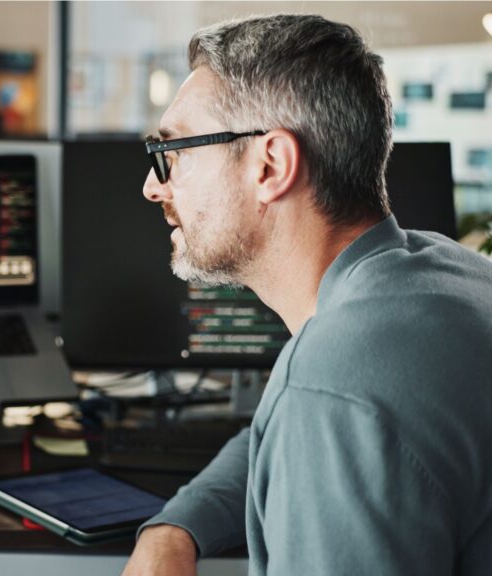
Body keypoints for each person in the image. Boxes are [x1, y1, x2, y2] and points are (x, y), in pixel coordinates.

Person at [121, 14, 492, 576]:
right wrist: (176, 528)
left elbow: (331, 410)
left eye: (174, 153)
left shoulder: (335, 385)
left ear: (270, 165)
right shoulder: (446, 271)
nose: (154, 185)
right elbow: (312, 427)